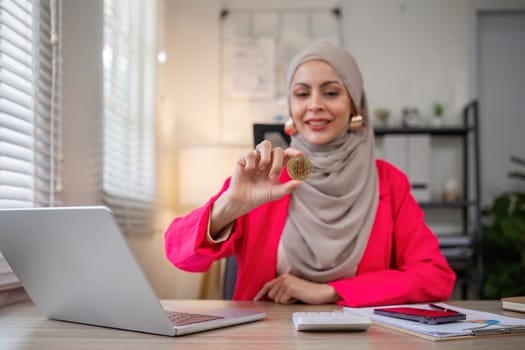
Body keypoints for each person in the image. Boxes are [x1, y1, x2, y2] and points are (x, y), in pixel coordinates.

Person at [164, 43, 455, 307]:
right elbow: (178, 254)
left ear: (354, 104)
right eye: (302, 93)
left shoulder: (389, 181)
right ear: (291, 107)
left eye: (331, 92)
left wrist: (333, 290)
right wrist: (230, 205)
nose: (315, 104)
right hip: (267, 338)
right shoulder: (264, 175)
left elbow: (435, 277)